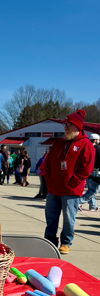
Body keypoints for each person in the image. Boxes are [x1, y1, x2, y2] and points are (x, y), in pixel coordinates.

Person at [43, 109, 95, 254]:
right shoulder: (59, 143)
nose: (65, 127)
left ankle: (66, 242)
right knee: (51, 217)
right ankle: (50, 240)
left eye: (69, 124)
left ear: (78, 127)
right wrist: (48, 178)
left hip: (71, 191)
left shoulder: (85, 145)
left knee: (68, 219)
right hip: (54, 188)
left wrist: (73, 182)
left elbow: (87, 168)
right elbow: (48, 162)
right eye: (65, 124)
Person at [79, 134, 100, 212]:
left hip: (87, 171)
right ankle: (78, 202)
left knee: (90, 189)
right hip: (95, 171)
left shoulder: (85, 147)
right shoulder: (97, 148)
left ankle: (93, 206)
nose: (99, 141)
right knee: (93, 191)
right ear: (94, 140)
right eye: (98, 140)